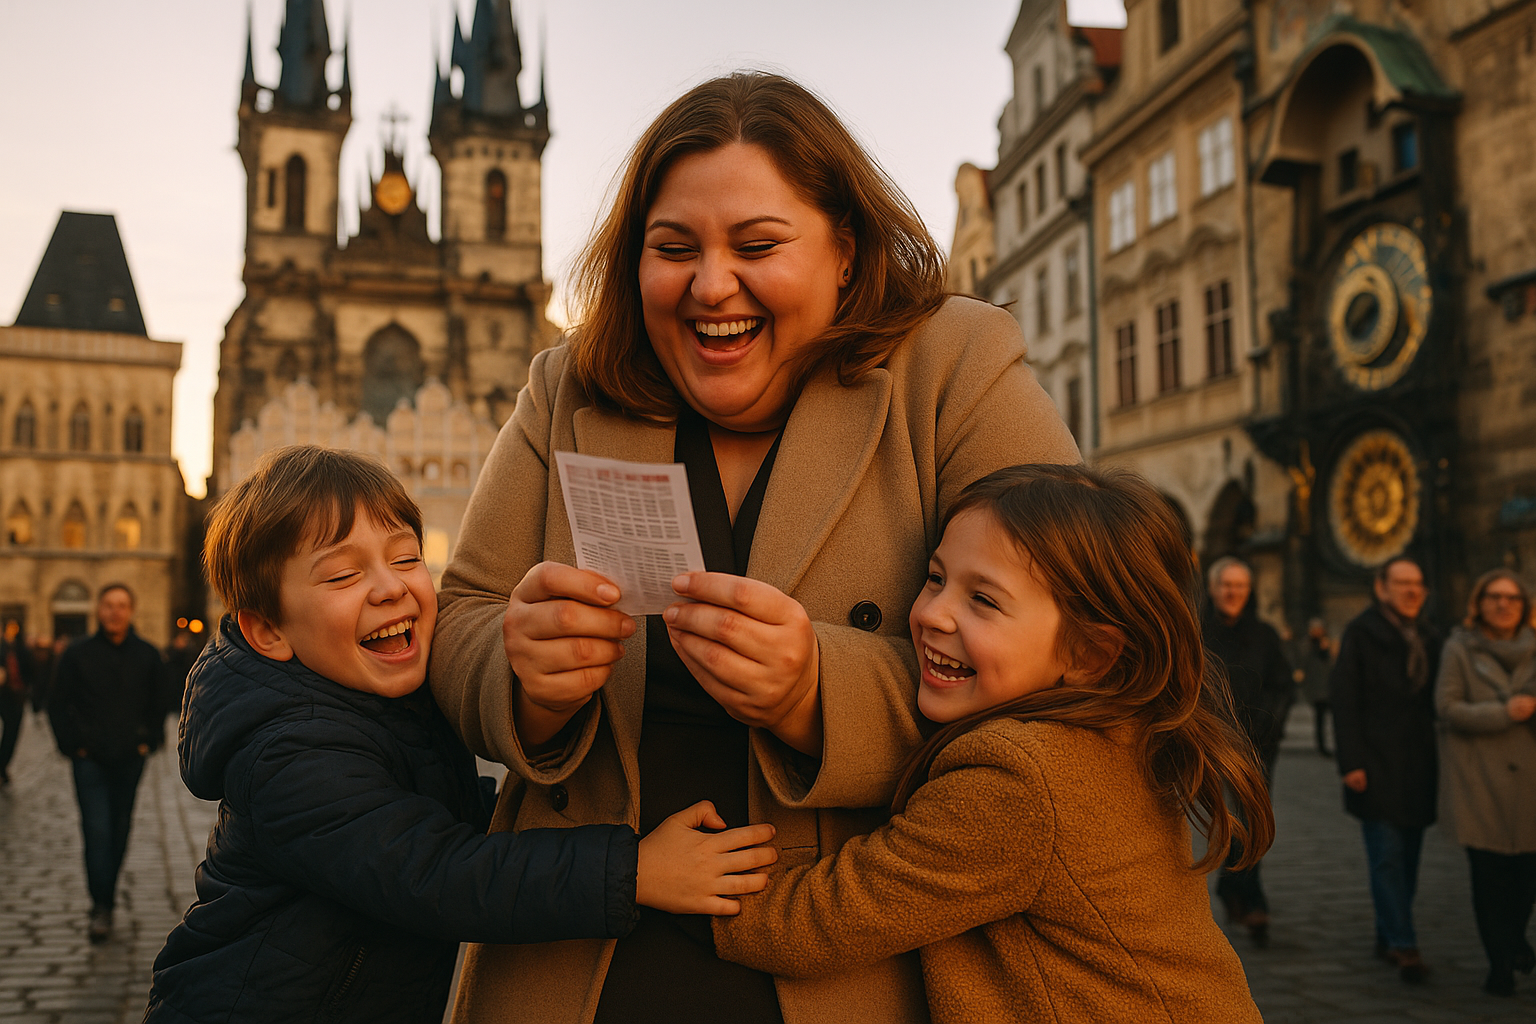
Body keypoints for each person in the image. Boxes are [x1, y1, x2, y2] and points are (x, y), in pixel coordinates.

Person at [430, 71, 1080, 1024]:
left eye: (758, 245)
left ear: (847, 254)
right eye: (673, 248)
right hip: (584, 954)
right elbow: (460, 622)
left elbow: (1078, 648)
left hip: (855, 951)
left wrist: (824, 691)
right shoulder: (569, 385)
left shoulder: (955, 367)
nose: (710, 286)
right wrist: (519, 677)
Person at [144, 446, 776, 1024]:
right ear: (268, 631)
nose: (390, 586)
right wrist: (633, 869)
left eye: (405, 558)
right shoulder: (287, 751)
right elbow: (440, 873)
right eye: (342, 576)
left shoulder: (374, 697)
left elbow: (439, 815)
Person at [710, 464, 1268, 1022]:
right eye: (934, 578)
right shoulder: (1117, 733)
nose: (931, 613)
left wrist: (675, 885)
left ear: (1088, 655)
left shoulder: (1021, 779)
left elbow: (826, 920)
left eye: (984, 600)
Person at [1330, 555, 1440, 982]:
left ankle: (1388, 931)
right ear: (1381, 588)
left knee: (1408, 857)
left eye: (1418, 584)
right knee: (1388, 858)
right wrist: (1351, 762)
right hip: (1375, 764)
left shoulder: (1429, 635)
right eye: (1402, 583)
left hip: (1418, 767)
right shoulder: (1361, 633)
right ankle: (1403, 943)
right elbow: (1345, 700)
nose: (1412, 591)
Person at [1434, 568, 1536, 997]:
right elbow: (1448, 707)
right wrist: (1503, 713)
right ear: (1480, 603)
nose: (1504, 604)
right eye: (1495, 596)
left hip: (1530, 782)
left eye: (1513, 598)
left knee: (1526, 876)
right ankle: (1499, 963)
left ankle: (1513, 940)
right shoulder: (1459, 647)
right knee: (1490, 877)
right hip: (1480, 781)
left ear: (1524, 606)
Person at [48, 583, 165, 941]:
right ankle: (102, 905)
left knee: (119, 828)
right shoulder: (77, 653)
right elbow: (58, 700)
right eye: (109, 605)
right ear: (99, 610)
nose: (115, 612)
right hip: (91, 760)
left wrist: (148, 740)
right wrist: (73, 746)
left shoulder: (147, 654)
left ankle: (108, 894)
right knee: (97, 829)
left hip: (130, 757)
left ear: (131, 611)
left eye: (122, 606)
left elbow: (159, 700)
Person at [1201, 556, 1294, 947]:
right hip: (1210, 742)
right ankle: (1247, 896)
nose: (1233, 593)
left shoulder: (1266, 635)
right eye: (1226, 585)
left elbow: (1284, 686)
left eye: (1239, 586)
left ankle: (1237, 889)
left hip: (1257, 743)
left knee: (1252, 820)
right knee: (1227, 820)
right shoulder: (1197, 633)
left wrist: (1268, 723)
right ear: (1213, 589)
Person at [1295, 617, 1335, 756]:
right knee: (1320, 719)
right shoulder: (1307, 644)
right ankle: (1322, 746)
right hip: (1316, 687)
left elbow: (1331, 662)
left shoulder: (1327, 643)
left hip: (1328, 686)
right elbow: (1302, 661)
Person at [0, 620, 32, 785]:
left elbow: (29, 669)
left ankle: (2, 766)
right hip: (3, 693)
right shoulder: (2, 647)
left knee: (12, 731)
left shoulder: (21, 648)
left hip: (15, 695)